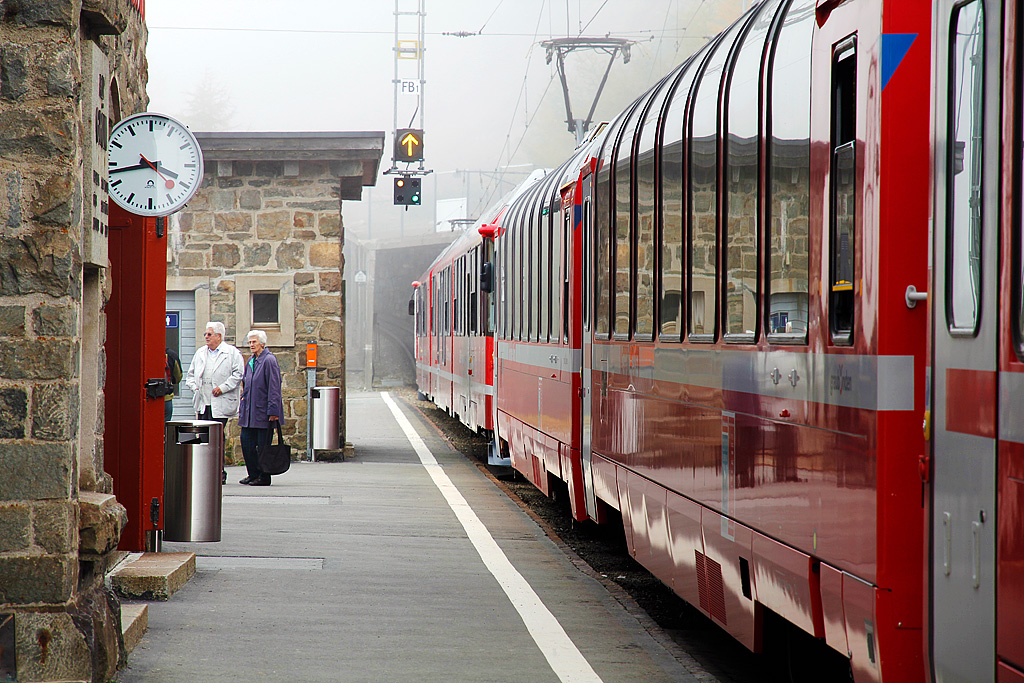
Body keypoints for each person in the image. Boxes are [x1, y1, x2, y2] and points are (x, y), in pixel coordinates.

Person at [185, 322, 243, 485]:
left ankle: (219, 471)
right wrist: (194, 386)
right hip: (203, 402)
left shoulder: (231, 353)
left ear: (219, 336)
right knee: (203, 437)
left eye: (209, 334)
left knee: (217, 438)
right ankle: (204, 470)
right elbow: (190, 375)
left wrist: (223, 388)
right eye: (205, 334)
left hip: (220, 402)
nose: (206, 337)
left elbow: (238, 374)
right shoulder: (200, 353)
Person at [237, 329, 284, 486]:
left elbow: (274, 387)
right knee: (247, 444)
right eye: (249, 342)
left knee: (262, 447)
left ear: (262, 343)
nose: (251, 345)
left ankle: (264, 476)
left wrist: (273, 411)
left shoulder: (269, 360)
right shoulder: (251, 361)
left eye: (254, 342)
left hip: (263, 412)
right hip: (249, 413)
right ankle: (253, 473)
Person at [164, 347, 183, 422]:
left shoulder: (145, 352)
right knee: (165, 426)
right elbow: (178, 377)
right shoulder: (171, 354)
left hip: (148, 398)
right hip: (166, 398)